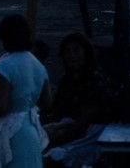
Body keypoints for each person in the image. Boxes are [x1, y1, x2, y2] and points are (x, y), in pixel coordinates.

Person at [0, 14, 52, 168]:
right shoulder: (38, 65)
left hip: (12, 135)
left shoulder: (5, 65)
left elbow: (0, 107)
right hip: (31, 132)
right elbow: (46, 102)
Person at [42, 33, 120, 168]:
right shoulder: (66, 81)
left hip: (91, 135)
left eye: (76, 50)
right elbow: (56, 111)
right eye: (67, 51)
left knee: (48, 160)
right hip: (68, 128)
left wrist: (54, 141)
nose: (72, 55)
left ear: (86, 52)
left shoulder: (94, 80)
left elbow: (83, 123)